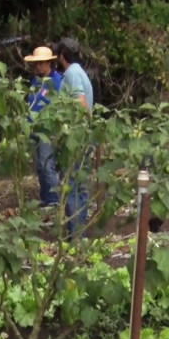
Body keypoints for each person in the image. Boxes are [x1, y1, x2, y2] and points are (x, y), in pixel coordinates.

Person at [53, 37, 94, 237]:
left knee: (71, 183)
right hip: (82, 136)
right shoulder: (80, 72)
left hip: (75, 138)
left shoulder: (71, 74)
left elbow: (80, 102)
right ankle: (78, 231)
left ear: (61, 57)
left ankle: (75, 233)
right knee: (79, 183)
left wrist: (77, 128)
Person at [24, 46, 63, 208]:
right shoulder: (35, 81)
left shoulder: (56, 80)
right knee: (39, 165)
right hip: (33, 128)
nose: (38, 67)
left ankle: (54, 200)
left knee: (47, 164)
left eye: (40, 63)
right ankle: (45, 197)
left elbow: (59, 106)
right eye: (36, 64)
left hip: (48, 129)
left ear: (48, 63)